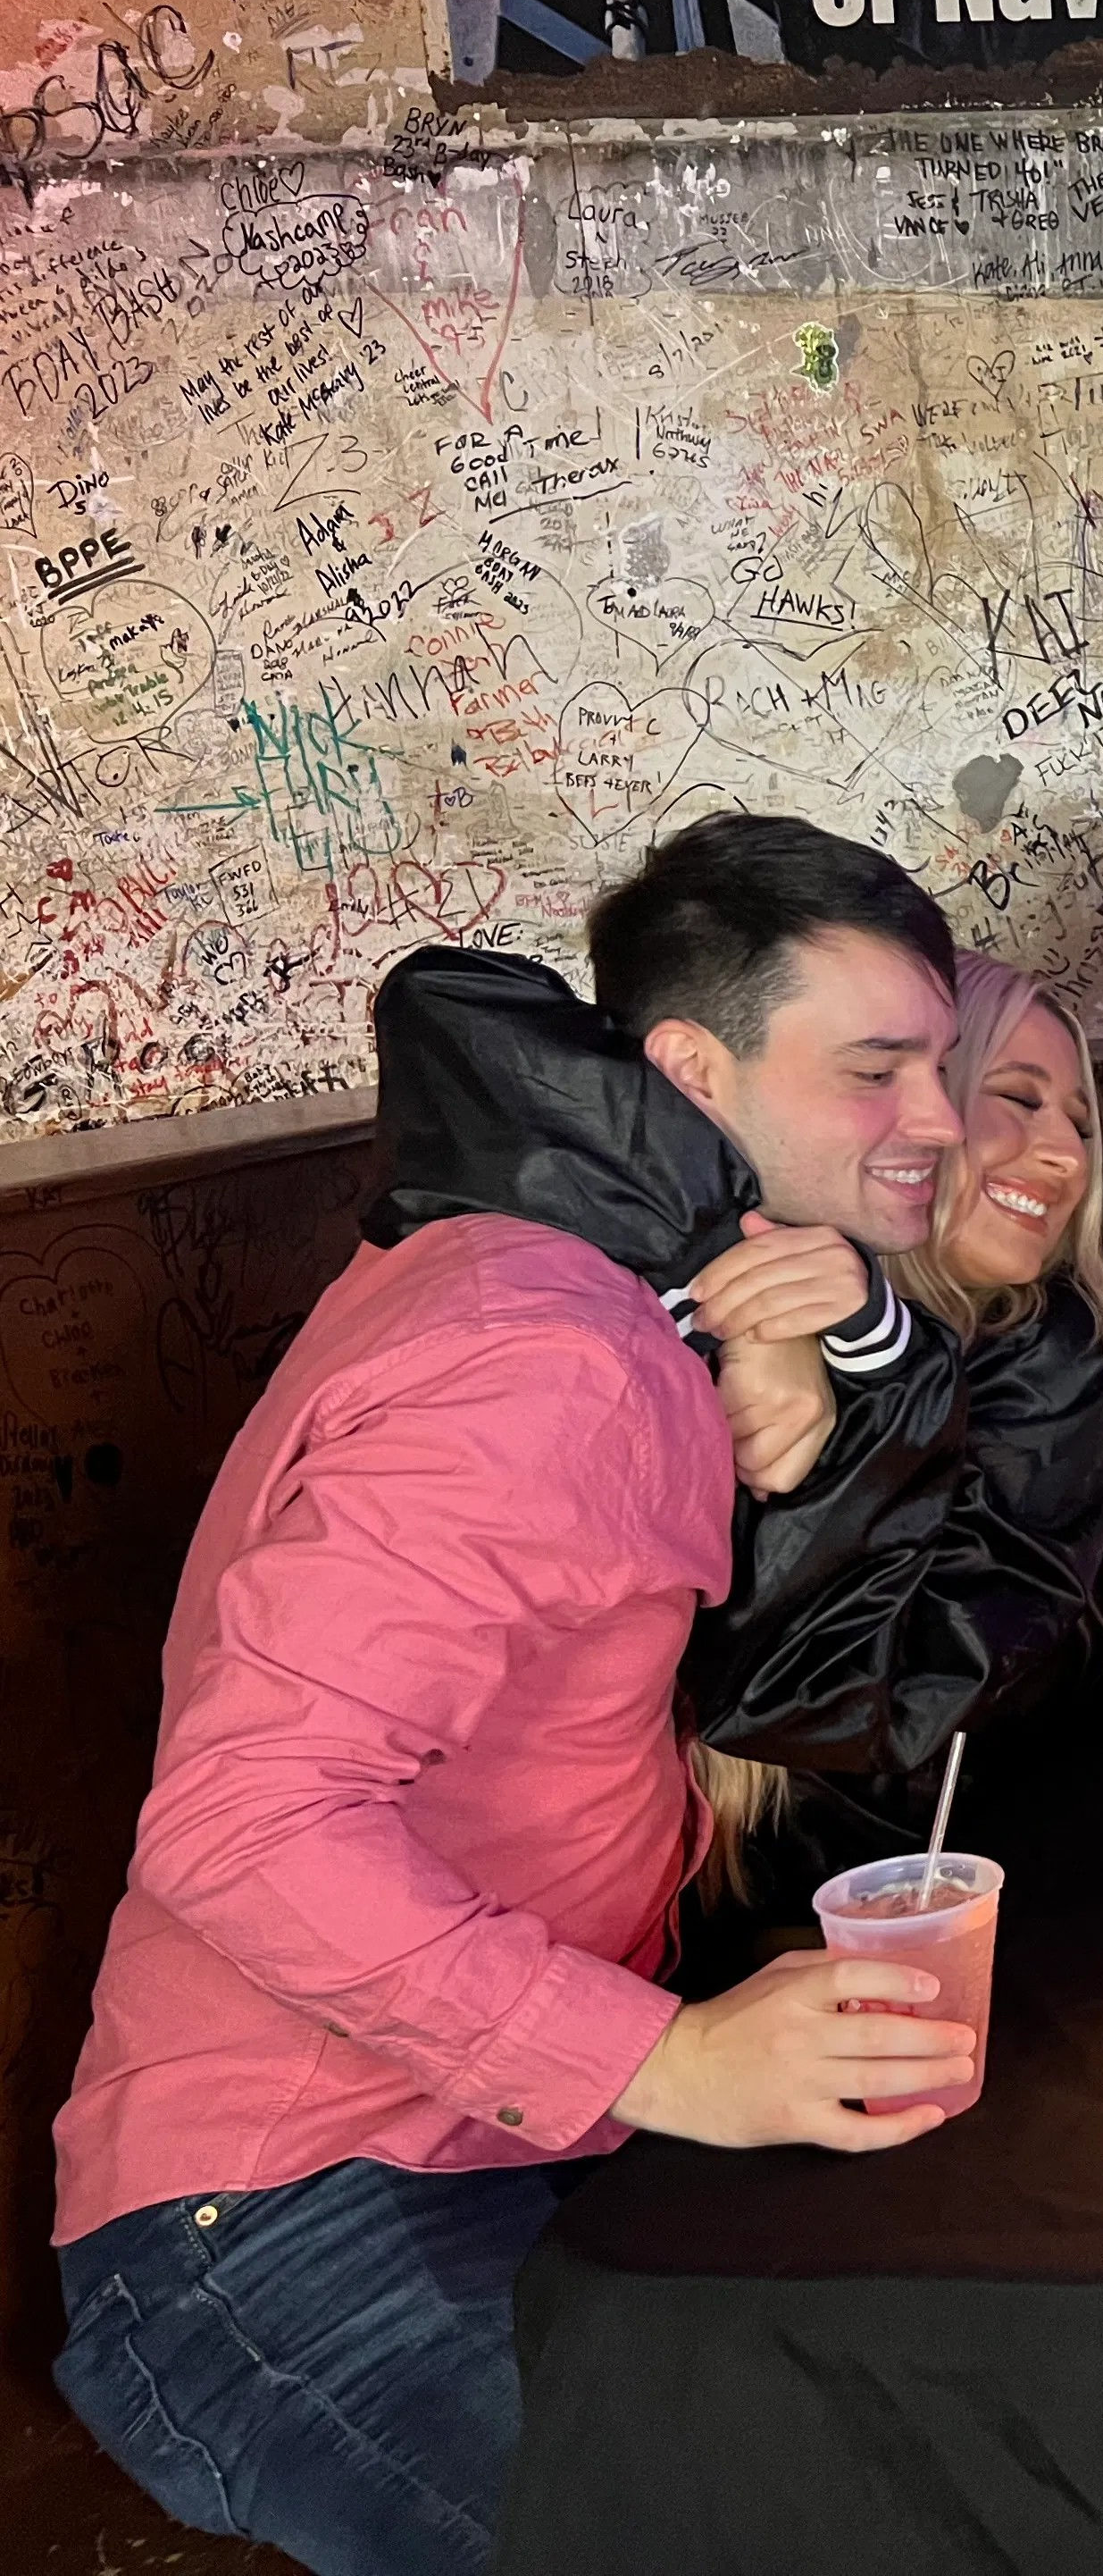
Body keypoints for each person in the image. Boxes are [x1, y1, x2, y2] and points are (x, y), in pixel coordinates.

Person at [51, 815, 988, 2576]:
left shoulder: (582, 1287)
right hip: (268, 2233)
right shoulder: (540, 1349)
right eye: (878, 1071)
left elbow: (879, 1625)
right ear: (693, 1075)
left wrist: (804, 1340)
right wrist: (671, 2057)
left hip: (493, 2157)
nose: (936, 1118)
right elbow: (242, 1825)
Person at [675, 949, 1103, 1978]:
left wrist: (883, 1359)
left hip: (937, 1915)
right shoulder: (690, 1307)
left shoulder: (1049, 1355)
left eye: (1082, 1124)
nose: (1065, 1154)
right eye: (1014, 1101)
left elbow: (899, 1698)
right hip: (648, 1921)